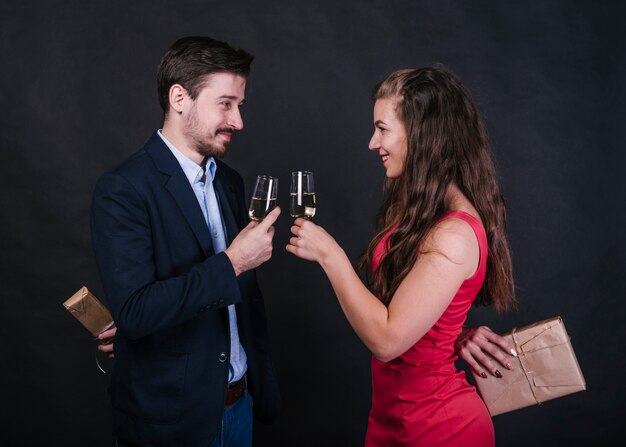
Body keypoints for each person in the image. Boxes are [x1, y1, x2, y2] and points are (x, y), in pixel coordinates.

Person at [286, 66, 516, 446]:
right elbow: (416, 308)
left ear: (422, 135)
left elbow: (388, 338)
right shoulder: (417, 207)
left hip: (441, 429)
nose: (372, 143)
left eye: (383, 129)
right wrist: (451, 336)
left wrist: (330, 255)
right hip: (391, 420)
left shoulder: (457, 234)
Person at [90, 36, 281, 447]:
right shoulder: (122, 189)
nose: (239, 121)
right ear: (179, 98)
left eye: (240, 106)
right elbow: (137, 311)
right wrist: (232, 263)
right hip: (170, 422)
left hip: (239, 406)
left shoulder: (230, 182)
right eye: (226, 104)